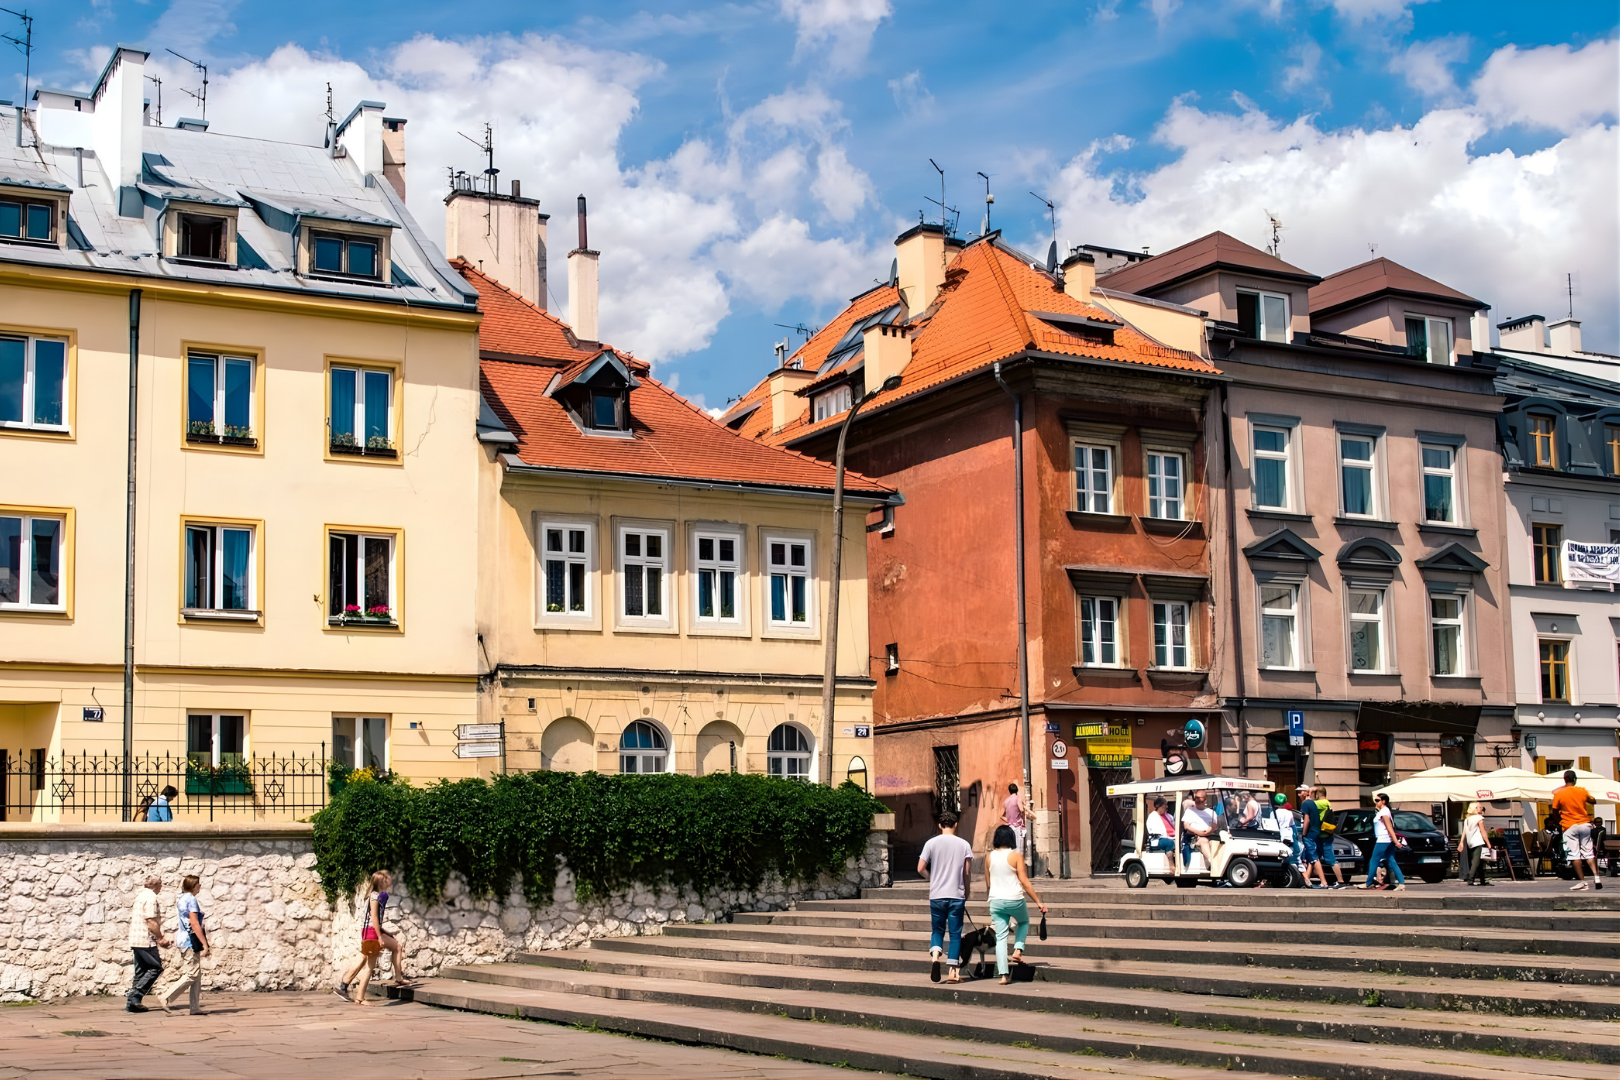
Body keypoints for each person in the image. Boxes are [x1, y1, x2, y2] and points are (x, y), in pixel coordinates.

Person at [982, 825, 1048, 985]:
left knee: (1001, 937)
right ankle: (1018, 950)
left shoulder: (988, 856)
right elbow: (1024, 881)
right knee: (1024, 921)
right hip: (1014, 899)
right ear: (1011, 838)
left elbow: (989, 882)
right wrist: (1038, 901)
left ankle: (1003, 975)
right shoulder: (1016, 856)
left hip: (996, 900)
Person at [918, 811, 974, 984]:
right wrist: (967, 890)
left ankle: (935, 957)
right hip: (956, 894)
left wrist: (932, 878)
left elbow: (920, 868)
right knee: (955, 933)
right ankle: (953, 973)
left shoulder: (931, 843)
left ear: (940, 825)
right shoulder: (964, 844)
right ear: (956, 824)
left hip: (937, 895)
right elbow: (966, 872)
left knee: (937, 930)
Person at [336, 870, 408, 1000]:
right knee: (394, 949)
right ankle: (360, 996)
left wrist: (384, 932)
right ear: (383, 881)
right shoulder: (376, 896)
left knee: (363, 959)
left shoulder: (375, 895)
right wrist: (380, 936)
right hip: (372, 932)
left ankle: (344, 985)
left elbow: (373, 918)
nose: (390, 879)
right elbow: (374, 917)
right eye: (388, 878)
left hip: (369, 930)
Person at [157, 874, 208, 1014]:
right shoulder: (191, 899)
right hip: (190, 939)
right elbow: (194, 922)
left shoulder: (182, 898)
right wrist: (204, 943)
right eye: (198, 884)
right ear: (193, 886)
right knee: (192, 973)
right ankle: (166, 996)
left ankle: (195, 1007)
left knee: (197, 974)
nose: (200, 887)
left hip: (182, 937)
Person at [126, 875, 170, 1013]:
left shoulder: (140, 896)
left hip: (135, 938)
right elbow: (150, 921)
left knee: (140, 971)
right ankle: (135, 996)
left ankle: (133, 1003)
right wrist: (160, 938)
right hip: (145, 939)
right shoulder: (151, 897)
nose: (162, 886)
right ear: (155, 884)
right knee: (155, 968)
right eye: (161, 883)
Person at [1551, 771, 1601, 891]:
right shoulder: (1582, 790)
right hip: (1584, 824)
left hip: (1569, 826)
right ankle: (1597, 877)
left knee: (1574, 855)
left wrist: (1560, 822)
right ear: (1575, 779)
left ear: (1564, 779)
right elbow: (1593, 800)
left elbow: (1554, 812)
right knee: (1588, 853)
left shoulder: (1559, 794)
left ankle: (1582, 882)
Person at [1359, 793, 1407, 892]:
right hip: (1386, 839)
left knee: (1373, 860)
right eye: (1375, 800)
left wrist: (1396, 842)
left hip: (1383, 839)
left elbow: (1389, 828)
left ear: (1383, 801)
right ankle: (1401, 884)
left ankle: (1368, 883)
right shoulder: (1383, 811)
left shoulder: (1384, 812)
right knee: (1391, 860)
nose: (1375, 802)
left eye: (1377, 800)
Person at [1314, 787, 1347, 889]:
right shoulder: (1326, 803)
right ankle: (1317, 880)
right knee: (1315, 858)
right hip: (1324, 835)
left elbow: (1307, 805)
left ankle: (1340, 881)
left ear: (1317, 794)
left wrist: (1309, 793)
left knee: (1330, 859)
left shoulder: (1320, 803)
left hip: (1323, 835)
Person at [1298, 785, 1326, 888]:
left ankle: (1324, 882)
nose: (1298, 794)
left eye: (1301, 792)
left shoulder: (1305, 804)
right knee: (1311, 857)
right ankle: (1307, 880)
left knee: (1314, 858)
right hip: (1316, 831)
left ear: (1306, 793)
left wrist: (1304, 833)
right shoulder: (1312, 803)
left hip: (1310, 833)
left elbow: (1307, 819)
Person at [1458, 801, 1491, 887]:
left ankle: (1482, 880)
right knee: (1475, 863)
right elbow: (1483, 832)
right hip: (1477, 842)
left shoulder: (1467, 820)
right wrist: (1488, 843)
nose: (1482, 808)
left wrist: (1461, 842)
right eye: (1479, 807)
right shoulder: (1479, 818)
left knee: (1479, 862)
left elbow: (1464, 832)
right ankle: (1470, 879)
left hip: (1470, 843)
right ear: (1475, 809)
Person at [1180, 792, 1215, 867]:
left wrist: (1206, 832)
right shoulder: (1189, 811)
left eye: (1200, 800)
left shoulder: (1211, 812)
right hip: (1193, 837)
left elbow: (1214, 826)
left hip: (1210, 835)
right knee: (1204, 841)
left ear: (1205, 800)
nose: (1198, 801)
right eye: (1196, 799)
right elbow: (1186, 826)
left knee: (1216, 843)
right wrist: (1200, 833)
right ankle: (1212, 864)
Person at [1001, 783, 1028, 856]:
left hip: (1010, 828)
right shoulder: (1018, 799)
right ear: (1017, 790)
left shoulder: (1006, 801)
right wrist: (1023, 822)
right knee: (1019, 851)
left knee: (1011, 850)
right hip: (1017, 827)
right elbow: (1021, 810)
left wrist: (1009, 821)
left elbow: (1002, 816)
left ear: (1009, 791)